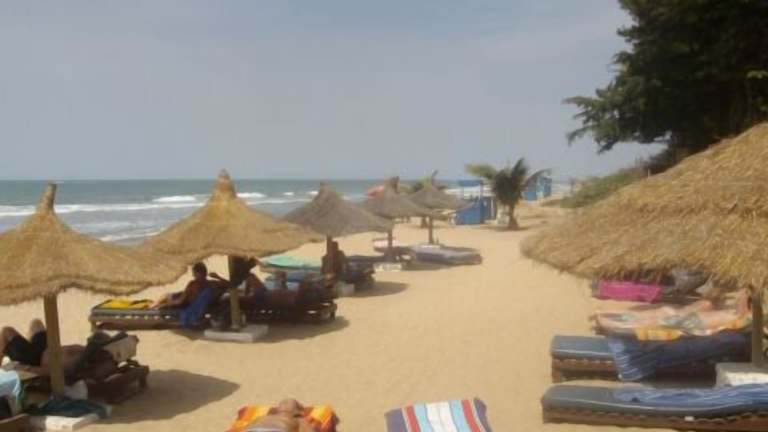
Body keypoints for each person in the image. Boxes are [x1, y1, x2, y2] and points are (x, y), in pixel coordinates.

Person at [0, 319, 85, 375]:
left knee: (6, 331)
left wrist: (25, 368)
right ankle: (22, 348)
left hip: (35, 360)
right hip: (46, 349)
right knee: (36, 323)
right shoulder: (87, 352)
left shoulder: (78, 362)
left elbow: (51, 372)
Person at [151, 262, 223, 309]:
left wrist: (165, 305)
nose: (193, 275)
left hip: (186, 302)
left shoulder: (193, 284)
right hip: (191, 299)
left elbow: (180, 301)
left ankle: (152, 306)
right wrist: (218, 277)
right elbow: (228, 284)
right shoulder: (211, 283)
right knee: (167, 296)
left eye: (194, 273)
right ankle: (153, 305)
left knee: (166, 296)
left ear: (198, 273)